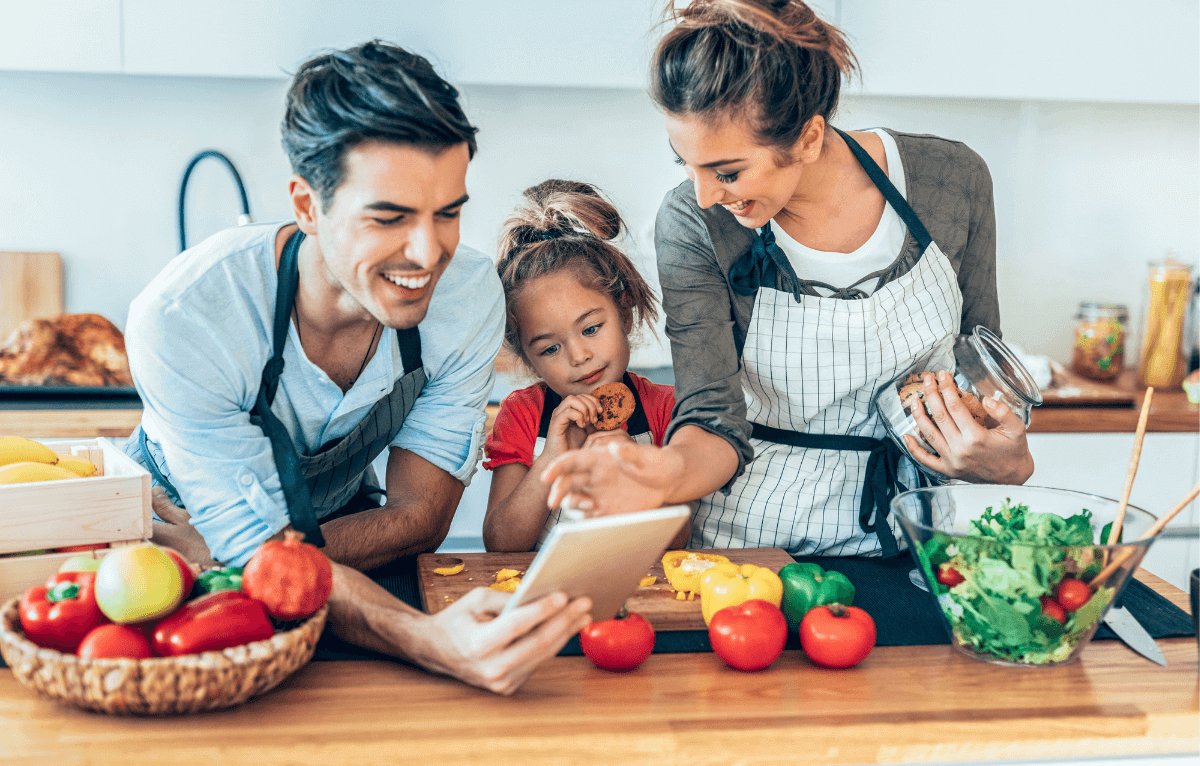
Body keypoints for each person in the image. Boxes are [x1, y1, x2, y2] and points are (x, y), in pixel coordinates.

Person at [122, 40, 591, 694]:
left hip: (311, 557)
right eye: (390, 217)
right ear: (307, 207)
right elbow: (254, 555)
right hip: (163, 566)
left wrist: (249, 555)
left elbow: (418, 517)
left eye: (449, 212)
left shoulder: (466, 298)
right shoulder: (189, 318)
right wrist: (429, 639)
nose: (429, 252)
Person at [543, 0, 1034, 558]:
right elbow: (712, 415)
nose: (704, 195)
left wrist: (1008, 460)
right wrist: (664, 473)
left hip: (918, 535)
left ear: (807, 137)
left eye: (727, 172)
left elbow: (982, 369)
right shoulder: (692, 222)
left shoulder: (951, 181)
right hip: (753, 544)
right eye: (686, 164)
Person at [482, 180, 678, 552]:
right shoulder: (523, 414)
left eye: (590, 329)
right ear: (528, 358)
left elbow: (678, 539)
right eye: (550, 348)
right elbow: (501, 544)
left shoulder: (665, 408)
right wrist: (553, 459)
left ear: (624, 311)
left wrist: (635, 470)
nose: (578, 356)